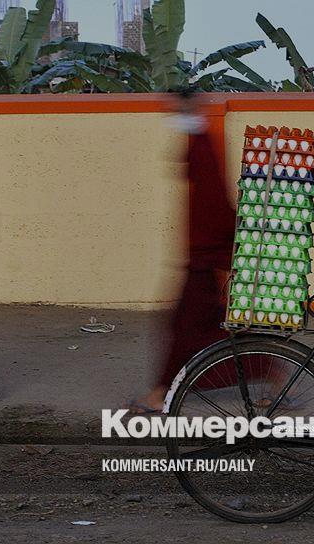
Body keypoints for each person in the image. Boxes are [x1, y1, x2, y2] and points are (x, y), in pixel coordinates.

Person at [125, 91, 236, 414]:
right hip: (202, 254)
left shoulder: (201, 142)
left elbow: (214, 202)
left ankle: (160, 394)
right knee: (206, 329)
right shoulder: (197, 141)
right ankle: (274, 379)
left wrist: (213, 250)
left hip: (204, 257)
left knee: (185, 330)